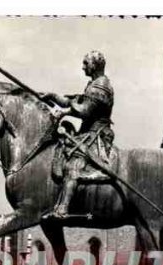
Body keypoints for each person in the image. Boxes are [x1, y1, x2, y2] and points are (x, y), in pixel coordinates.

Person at [44, 50, 115, 219]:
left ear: (95, 65)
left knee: (74, 164)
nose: (83, 67)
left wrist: (63, 113)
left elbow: (84, 110)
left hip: (96, 134)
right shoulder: (93, 84)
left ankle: (63, 209)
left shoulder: (101, 85)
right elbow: (75, 101)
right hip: (88, 132)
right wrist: (53, 97)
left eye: (86, 63)